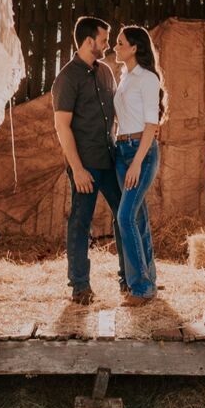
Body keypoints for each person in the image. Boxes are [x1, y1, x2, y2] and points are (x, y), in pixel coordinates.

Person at [52, 15, 123, 304]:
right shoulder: (67, 78)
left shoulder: (106, 72)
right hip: (86, 165)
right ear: (88, 41)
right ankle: (80, 286)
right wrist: (77, 169)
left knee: (125, 217)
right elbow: (62, 126)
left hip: (111, 157)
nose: (108, 44)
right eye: (104, 39)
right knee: (82, 222)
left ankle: (129, 279)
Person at [110, 24, 165, 305]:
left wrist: (136, 164)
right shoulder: (125, 78)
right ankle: (149, 279)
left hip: (140, 153)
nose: (115, 47)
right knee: (138, 217)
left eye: (120, 43)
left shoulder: (147, 79)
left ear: (134, 48)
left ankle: (141, 287)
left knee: (124, 217)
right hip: (122, 150)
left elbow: (151, 124)